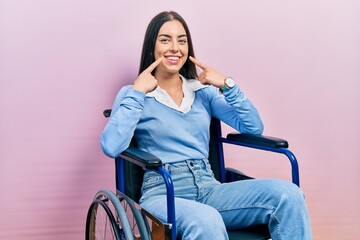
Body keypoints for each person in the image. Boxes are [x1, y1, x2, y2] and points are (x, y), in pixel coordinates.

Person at [101, 10, 312, 240]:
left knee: (289, 196)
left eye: (182, 41)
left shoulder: (203, 92)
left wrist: (228, 85)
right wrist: (138, 92)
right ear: (152, 46)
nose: (175, 48)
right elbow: (111, 146)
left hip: (209, 187)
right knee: (206, 219)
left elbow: (253, 127)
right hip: (164, 191)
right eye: (165, 40)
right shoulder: (133, 94)